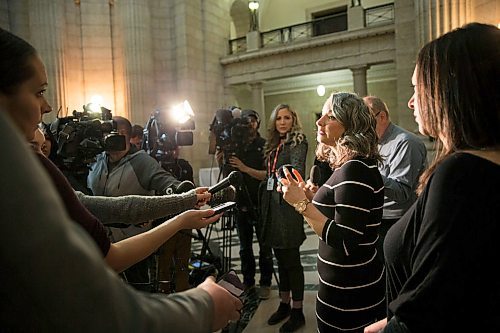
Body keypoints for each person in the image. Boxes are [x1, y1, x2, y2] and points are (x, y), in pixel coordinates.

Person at [0, 27, 241, 331]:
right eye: (38, 92)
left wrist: (183, 205)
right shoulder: (22, 175)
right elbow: (105, 305)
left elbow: (112, 207)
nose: (46, 107)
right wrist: (205, 305)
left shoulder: (138, 160)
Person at [364, 22, 500, 333]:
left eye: (417, 88)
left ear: (451, 89)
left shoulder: (462, 175)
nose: (411, 102)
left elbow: (430, 314)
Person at [280, 92, 385, 332]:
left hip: (351, 297)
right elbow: (341, 216)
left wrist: (301, 204)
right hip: (345, 290)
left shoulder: (355, 170)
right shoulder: (351, 167)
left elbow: (346, 241)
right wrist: (308, 197)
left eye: (331, 116)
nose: (319, 121)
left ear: (351, 125)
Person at [87, 115, 183, 290]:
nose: (110, 138)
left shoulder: (141, 162)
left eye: (116, 134)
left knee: (138, 293)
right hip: (101, 241)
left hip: (133, 244)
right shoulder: (98, 158)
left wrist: (181, 191)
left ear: (127, 136)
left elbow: (164, 181)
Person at [259, 104, 308, 332]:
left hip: (287, 208)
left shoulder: (297, 141)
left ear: (293, 120)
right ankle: (285, 304)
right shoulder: (273, 144)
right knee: (280, 259)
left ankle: (298, 312)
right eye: (278, 118)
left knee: (292, 262)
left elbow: (296, 170)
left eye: (287, 117)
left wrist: (277, 175)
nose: (282, 122)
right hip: (272, 207)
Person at [363, 95, 427, 263]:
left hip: (397, 223)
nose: (361, 127)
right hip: (377, 219)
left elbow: (402, 193)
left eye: (365, 119)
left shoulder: (405, 142)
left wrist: (368, 172)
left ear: (382, 116)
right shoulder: (373, 143)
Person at [223, 109, 274, 299]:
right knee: (245, 248)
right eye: (246, 121)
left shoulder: (264, 145)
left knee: (264, 247)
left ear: (258, 123)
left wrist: (244, 168)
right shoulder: (236, 146)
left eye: (253, 121)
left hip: (260, 203)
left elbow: (267, 175)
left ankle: (266, 283)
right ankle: (248, 282)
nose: (249, 124)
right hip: (240, 204)